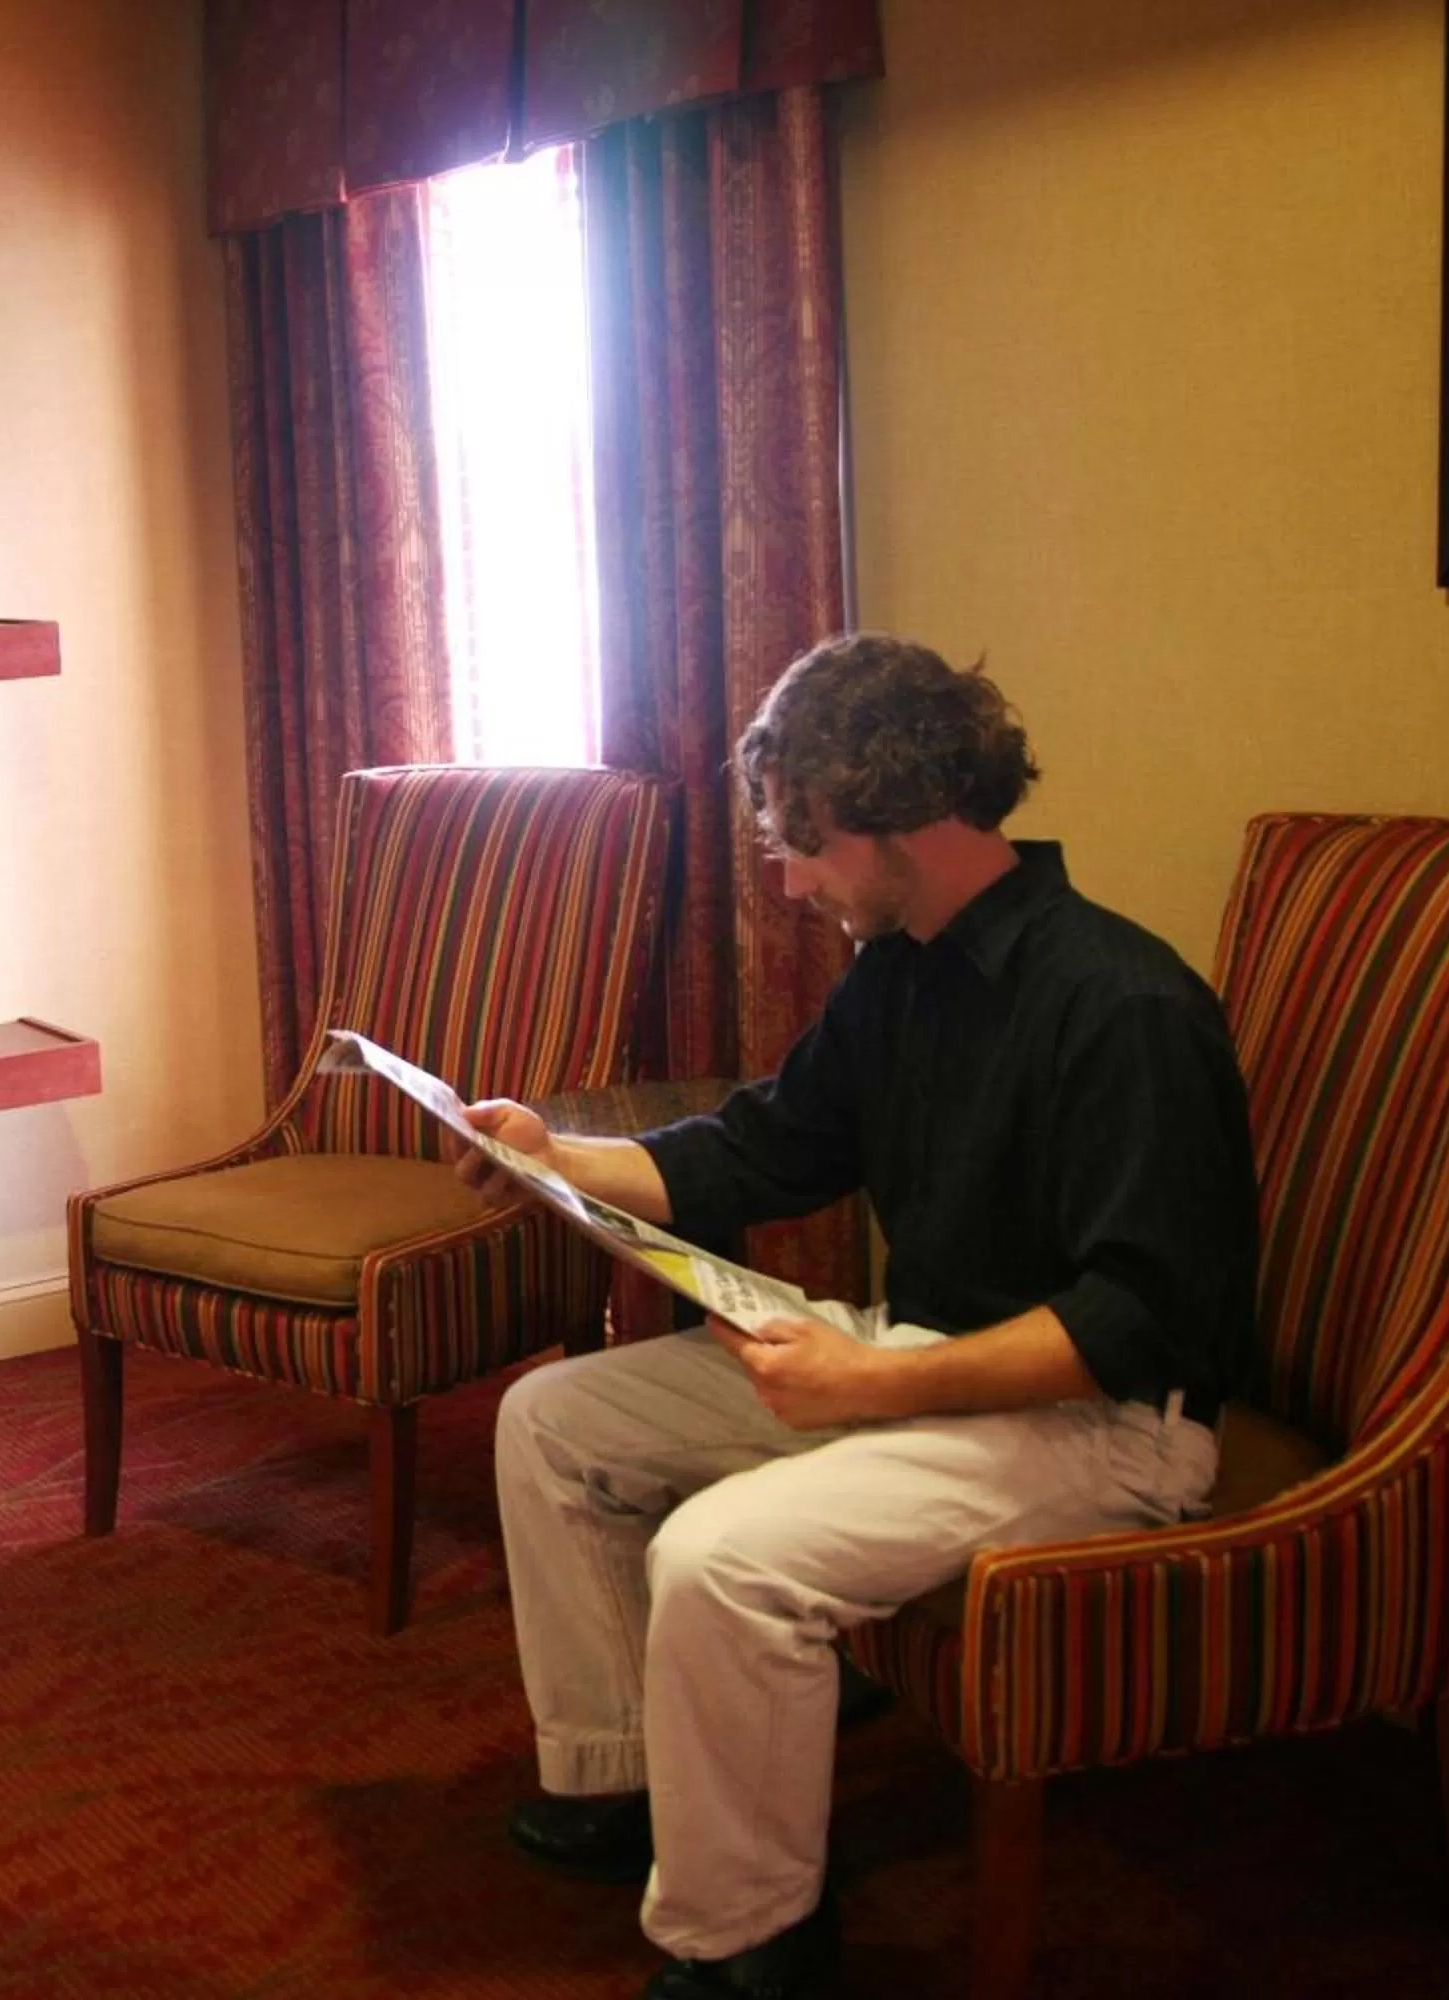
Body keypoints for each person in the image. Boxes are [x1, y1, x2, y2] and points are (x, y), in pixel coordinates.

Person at [461, 633, 1259, 2000]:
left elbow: (1141, 1319)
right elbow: (769, 1147)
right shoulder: (902, 970)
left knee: (721, 1558)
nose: (789, 878)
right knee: (552, 1420)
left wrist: (865, 1384)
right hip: (929, 1360)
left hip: (1108, 1425)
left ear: (905, 815)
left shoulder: (1123, 1004)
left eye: (807, 842)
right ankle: (634, 1779)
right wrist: (554, 1155)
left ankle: (752, 1938)